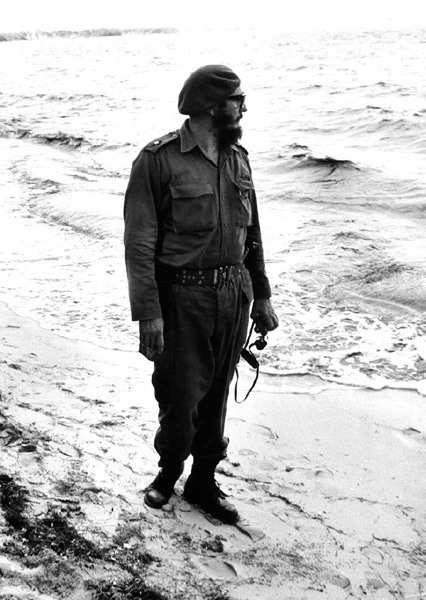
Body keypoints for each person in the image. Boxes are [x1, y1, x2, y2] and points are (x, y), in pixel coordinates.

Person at [124, 65, 278, 524]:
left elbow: (253, 234)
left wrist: (263, 294)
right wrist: (148, 314)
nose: (244, 107)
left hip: (235, 294)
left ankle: (203, 480)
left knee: (217, 395)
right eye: (237, 100)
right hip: (182, 299)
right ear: (212, 107)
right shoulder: (158, 160)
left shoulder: (238, 158)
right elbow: (139, 244)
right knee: (179, 394)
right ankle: (168, 473)